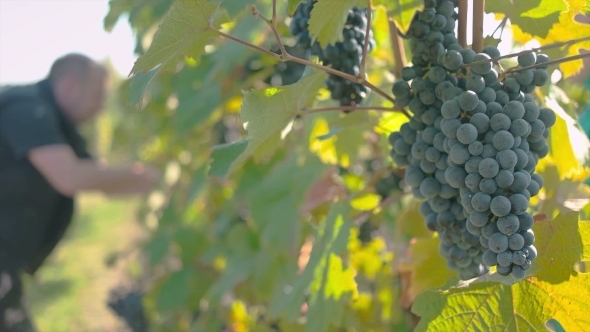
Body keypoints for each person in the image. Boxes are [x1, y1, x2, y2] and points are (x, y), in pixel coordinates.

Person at [0, 53, 161, 331]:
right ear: (70, 85)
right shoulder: (27, 109)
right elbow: (70, 177)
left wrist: (157, 183)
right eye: (98, 96)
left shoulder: (60, 127)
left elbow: (98, 178)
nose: (101, 108)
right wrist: (141, 176)